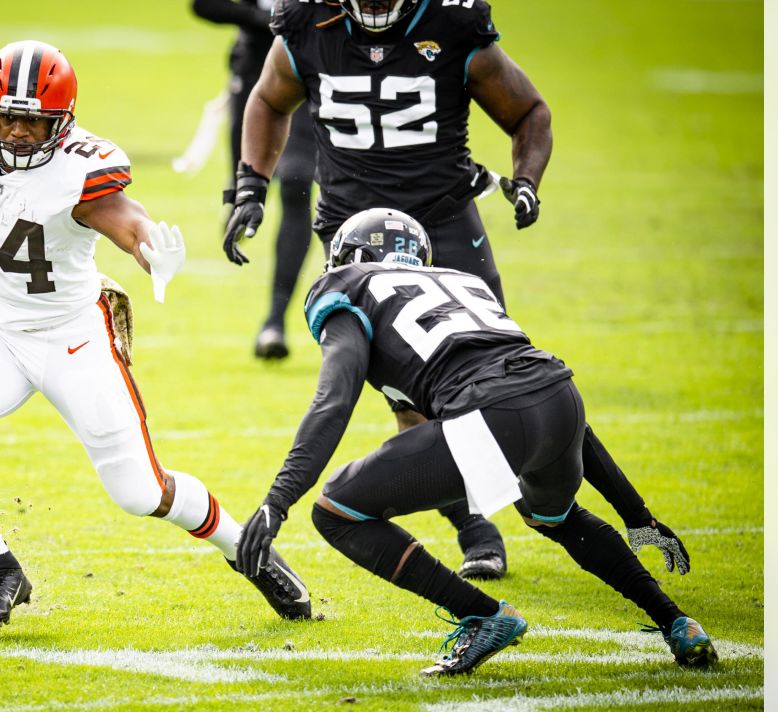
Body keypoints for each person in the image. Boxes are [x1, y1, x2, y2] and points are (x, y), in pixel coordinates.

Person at [0, 41, 312, 632]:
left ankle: (246, 547)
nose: (17, 132)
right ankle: (1, 570)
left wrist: (154, 255)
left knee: (140, 491)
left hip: (73, 335)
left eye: (33, 121)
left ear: (63, 123)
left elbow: (128, 222)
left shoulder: (80, 167)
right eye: (7, 117)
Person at [223, 0, 654, 582]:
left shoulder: (452, 23)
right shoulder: (307, 23)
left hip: (445, 219)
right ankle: (476, 524)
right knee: (410, 390)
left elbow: (529, 111)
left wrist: (526, 181)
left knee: (498, 364)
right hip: (357, 235)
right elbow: (270, 99)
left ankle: (544, 504)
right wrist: (251, 185)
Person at [235, 208, 718, 675]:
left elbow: (333, 402)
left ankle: (482, 613)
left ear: (348, 255)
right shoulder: (460, 281)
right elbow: (534, 389)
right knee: (554, 515)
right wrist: (637, 515)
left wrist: (277, 503)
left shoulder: (348, 286)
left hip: (492, 414)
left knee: (337, 510)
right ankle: (677, 621)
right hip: (561, 398)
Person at [190, 0, 318, 359]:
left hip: (309, 73)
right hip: (253, 77)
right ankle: (238, 200)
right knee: (245, 188)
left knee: (296, 182)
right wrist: (265, 21)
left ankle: (274, 320)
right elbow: (204, 5)